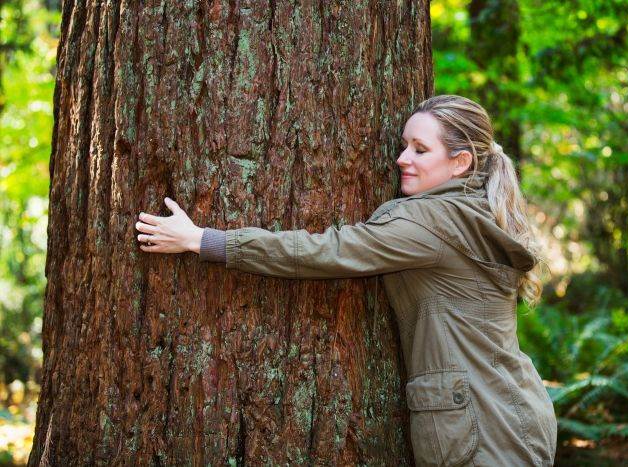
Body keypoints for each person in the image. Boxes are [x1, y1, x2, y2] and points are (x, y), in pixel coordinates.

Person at [134, 94, 557, 466]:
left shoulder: (433, 222)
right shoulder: (473, 212)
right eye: (404, 145)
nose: (401, 159)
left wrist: (203, 241)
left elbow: (327, 251)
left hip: (485, 430)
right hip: (515, 413)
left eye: (420, 149)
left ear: (460, 162)